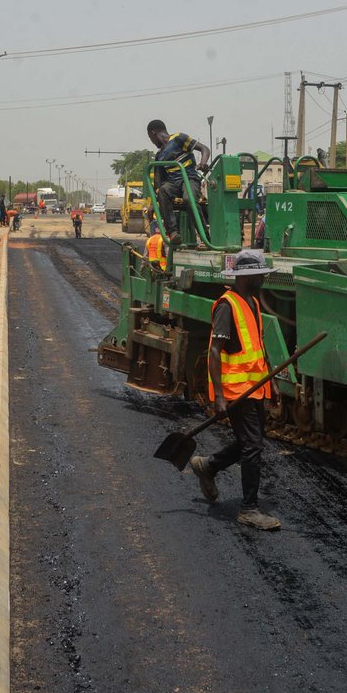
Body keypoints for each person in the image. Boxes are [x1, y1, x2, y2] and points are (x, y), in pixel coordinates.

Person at [189, 249, 281, 531]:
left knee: (249, 442)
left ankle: (208, 466)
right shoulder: (227, 306)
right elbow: (214, 351)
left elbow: (258, 346)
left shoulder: (252, 302)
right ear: (246, 277)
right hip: (236, 390)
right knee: (253, 446)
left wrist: (272, 382)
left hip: (255, 386)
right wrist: (217, 395)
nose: (264, 278)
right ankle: (249, 510)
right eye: (260, 274)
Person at [146, 120, 210, 246]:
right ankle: (173, 233)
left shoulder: (178, 138)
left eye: (150, 138)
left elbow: (204, 149)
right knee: (163, 191)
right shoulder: (159, 156)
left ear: (153, 133)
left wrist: (203, 162)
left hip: (189, 178)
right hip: (173, 183)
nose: (152, 142)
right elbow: (158, 182)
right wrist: (154, 203)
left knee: (188, 199)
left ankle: (205, 235)